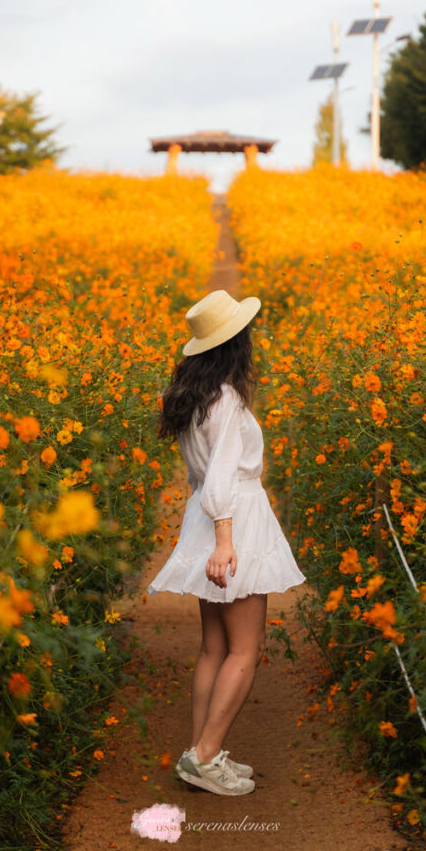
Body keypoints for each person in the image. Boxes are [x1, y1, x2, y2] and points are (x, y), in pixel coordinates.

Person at [148, 288, 306, 796]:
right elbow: (220, 478)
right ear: (236, 343)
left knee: (214, 646)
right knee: (246, 646)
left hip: (208, 516)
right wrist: (224, 541)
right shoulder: (230, 398)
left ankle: (200, 755)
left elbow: (203, 477)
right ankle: (207, 755)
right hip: (230, 519)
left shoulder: (195, 397)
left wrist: (214, 530)